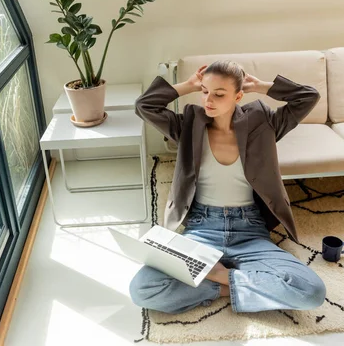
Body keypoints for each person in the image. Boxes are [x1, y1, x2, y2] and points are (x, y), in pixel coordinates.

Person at [129, 60, 326, 314]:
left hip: (250, 232)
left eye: (219, 94)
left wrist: (263, 86)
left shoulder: (262, 122)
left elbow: (308, 97)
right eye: (205, 92)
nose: (208, 100)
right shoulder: (189, 123)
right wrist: (187, 85)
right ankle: (238, 286)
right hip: (201, 229)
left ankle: (220, 278)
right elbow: (144, 105)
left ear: (239, 95)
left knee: (311, 291)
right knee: (143, 289)